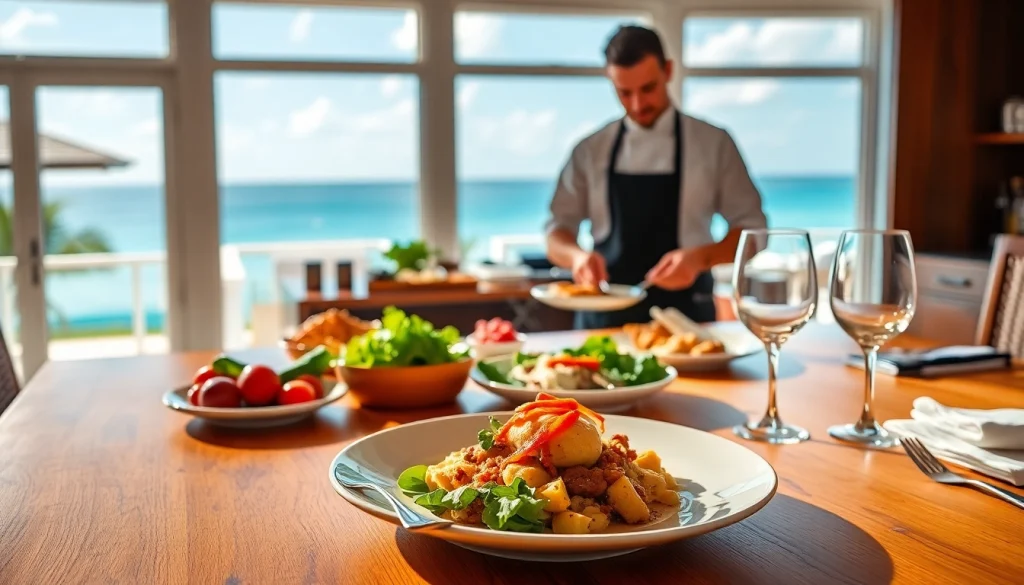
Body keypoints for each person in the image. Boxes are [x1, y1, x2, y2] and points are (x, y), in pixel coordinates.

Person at [545, 25, 767, 329]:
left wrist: (700, 258)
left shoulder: (714, 143)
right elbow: (555, 233)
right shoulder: (589, 151)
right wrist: (576, 258)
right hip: (603, 322)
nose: (638, 104)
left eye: (648, 88)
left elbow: (755, 232)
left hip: (689, 321)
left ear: (668, 71)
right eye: (624, 93)